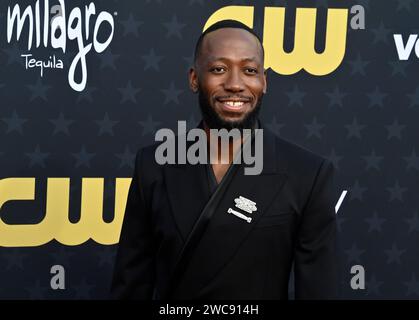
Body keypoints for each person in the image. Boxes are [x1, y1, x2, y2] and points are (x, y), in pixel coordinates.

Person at [110, 20, 339, 300]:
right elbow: (130, 286)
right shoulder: (153, 165)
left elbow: (320, 291)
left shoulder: (307, 174)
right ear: (194, 79)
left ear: (264, 81)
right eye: (219, 69)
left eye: (249, 71)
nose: (234, 84)